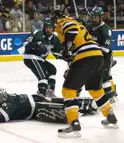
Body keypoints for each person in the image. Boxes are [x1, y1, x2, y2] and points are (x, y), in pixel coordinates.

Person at [51, 8, 118, 138]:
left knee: (68, 90)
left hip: (85, 56)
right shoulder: (78, 23)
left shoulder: (64, 21)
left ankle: (74, 124)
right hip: (97, 56)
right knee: (95, 90)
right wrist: (67, 53)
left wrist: (68, 48)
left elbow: (71, 31)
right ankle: (110, 117)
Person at [0, 88, 98, 124]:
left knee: (59, 109)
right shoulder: (7, 98)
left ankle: (84, 107)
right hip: (35, 99)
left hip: (36, 108)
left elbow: (0, 116)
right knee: (60, 101)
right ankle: (87, 103)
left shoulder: (6, 104)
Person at [23, 18, 62, 98]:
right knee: (43, 76)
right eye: (47, 28)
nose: (48, 29)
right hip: (31, 57)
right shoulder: (37, 33)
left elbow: (58, 54)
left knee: (52, 69)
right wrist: (37, 46)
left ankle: (50, 91)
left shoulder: (55, 39)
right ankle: (42, 94)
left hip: (40, 59)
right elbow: (26, 43)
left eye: (50, 28)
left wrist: (67, 56)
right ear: (44, 28)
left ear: (53, 28)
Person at [90, 7, 118, 100]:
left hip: (106, 56)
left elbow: (105, 50)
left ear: (101, 17)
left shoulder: (106, 30)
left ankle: (110, 97)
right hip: (95, 56)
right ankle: (112, 91)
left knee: (104, 75)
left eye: (96, 17)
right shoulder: (90, 27)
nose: (94, 19)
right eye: (93, 17)